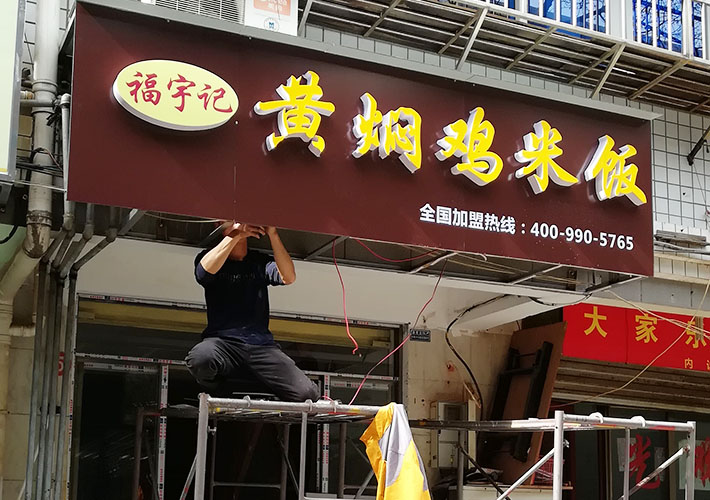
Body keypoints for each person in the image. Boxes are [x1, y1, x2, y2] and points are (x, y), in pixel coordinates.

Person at [185, 222, 320, 402]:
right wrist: (237, 234)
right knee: (201, 358)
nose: (241, 223)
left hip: (261, 346)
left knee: (307, 394)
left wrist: (273, 234)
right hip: (224, 344)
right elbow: (203, 272)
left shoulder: (259, 262)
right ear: (220, 227)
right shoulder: (209, 257)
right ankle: (219, 389)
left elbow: (288, 277)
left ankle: (265, 387)